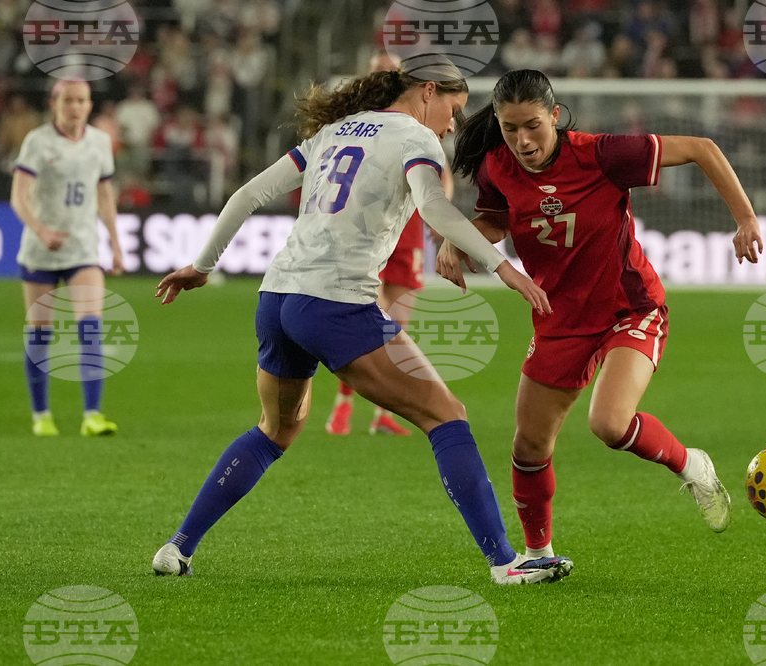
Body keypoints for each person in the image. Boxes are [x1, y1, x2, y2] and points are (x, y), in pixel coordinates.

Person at [150, 63, 574, 585]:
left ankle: (178, 547)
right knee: (447, 416)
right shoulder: (415, 137)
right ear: (428, 92)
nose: (451, 125)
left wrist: (202, 266)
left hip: (278, 297)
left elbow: (246, 195)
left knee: (275, 430)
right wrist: (502, 267)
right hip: (336, 304)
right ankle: (505, 563)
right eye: (453, 109)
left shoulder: (332, 131)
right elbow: (433, 205)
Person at [440, 69, 764, 562]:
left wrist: (745, 218)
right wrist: (458, 237)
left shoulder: (601, 154)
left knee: (610, 424)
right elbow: (497, 220)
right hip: (559, 318)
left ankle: (690, 464)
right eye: (510, 129)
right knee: (529, 447)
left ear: (555, 115)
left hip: (628, 308)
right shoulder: (497, 167)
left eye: (533, 126)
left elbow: (702, 148)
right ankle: (539, 555)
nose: (523, 141)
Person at [325, 49, 454, 437]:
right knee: (367, 316)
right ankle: (343, 406)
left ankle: (381, 413)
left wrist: (437, 209)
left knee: (396, 323)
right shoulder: (356, 120)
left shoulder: (417, 124)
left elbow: (442, 176)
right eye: (377, 70)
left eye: (389, 70)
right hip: (368, 228)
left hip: (407, 229)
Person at [10, 80, 124, 437]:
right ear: (54, 104)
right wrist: (41, 231)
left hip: (82, 249)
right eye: (68, 100)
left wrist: (116, 243)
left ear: (89, 105)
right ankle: (41, 415)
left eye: (81, 100)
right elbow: (18, 197)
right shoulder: (38, 142)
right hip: (40, 251)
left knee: (90, 328)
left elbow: (104, 195)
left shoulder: (99, 142)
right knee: (40, 334)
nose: (75, 107)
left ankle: (92, 414)